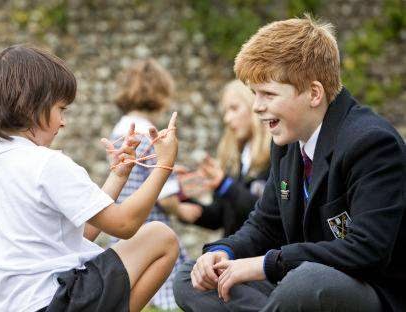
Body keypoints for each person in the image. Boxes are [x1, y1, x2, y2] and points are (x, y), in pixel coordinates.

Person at [173, 15, 406, 312]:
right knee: (191, 278)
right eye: (255, 94)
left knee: (305, 282)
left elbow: (367, 250)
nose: (257, 106)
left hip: (375, 294)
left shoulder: (371, 142)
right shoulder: (287, 143)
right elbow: (264, 226)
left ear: (314, 93)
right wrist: (223, 251)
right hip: (300, 285)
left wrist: (266, 264)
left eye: (268, 94)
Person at [0, 45, 180, 312]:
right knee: (161, 237)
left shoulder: (3, 164)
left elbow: (77, 234)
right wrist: (163, 165)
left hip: (23, 305)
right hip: (56, 300)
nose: (64, 122)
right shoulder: (46, 164)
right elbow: (125, 224)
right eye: (61, 109)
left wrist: (118, 175)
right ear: (29, 106)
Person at [109, 58, 192, 310]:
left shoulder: (119, 132)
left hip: (123, 221)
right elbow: (164, 196)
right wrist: (183, 210)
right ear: (160, 93)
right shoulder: (151, 134)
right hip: (150, 222)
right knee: (167, 284)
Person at [178, 80, 270, 236]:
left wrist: (224, 184)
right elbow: (218, 217)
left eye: (234, 108)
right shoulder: (237, 159)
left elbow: (267, 214)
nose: (227, 119)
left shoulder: (277, 155)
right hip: (232, 252)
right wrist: (180, 195)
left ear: (254, 106)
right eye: (225, 112)